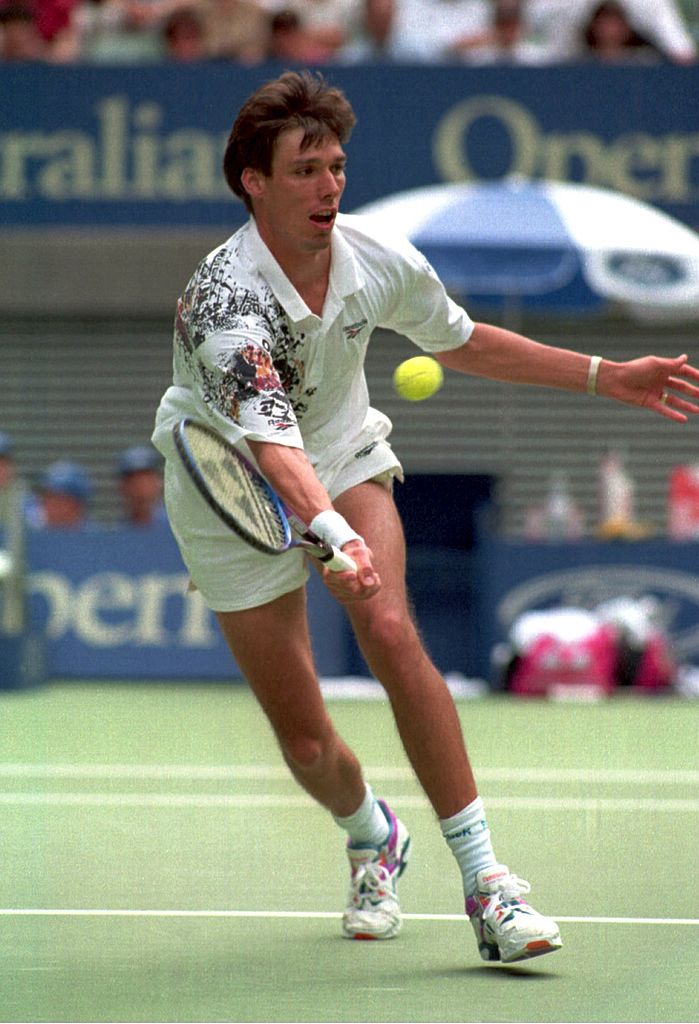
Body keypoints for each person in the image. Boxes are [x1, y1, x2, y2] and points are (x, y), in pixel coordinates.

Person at [151, 70, 699, 963]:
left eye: (335, 166)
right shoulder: (223, 299)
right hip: (231, 480)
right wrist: (332, 538)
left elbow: (467, 341)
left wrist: (606, 376)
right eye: (304, 170)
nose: (328, 186)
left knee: (389, 625)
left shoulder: (377, 256)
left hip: (340, 451)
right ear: (253, 181)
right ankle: (372, 835)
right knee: (305, 742)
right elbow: (273, 449)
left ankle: (488, 885)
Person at [27, 459, 92, 529]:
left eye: (56, 497)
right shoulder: (31, 532)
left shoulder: (94, 534)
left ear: (76, 504)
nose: (47, 503)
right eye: (45, 496)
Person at [116, 444, 167, 526]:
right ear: (122, 486)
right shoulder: (119, 530)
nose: (140, 488)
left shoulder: (176, 526)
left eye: (146, 480)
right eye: (133, 481)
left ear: (159, 482)